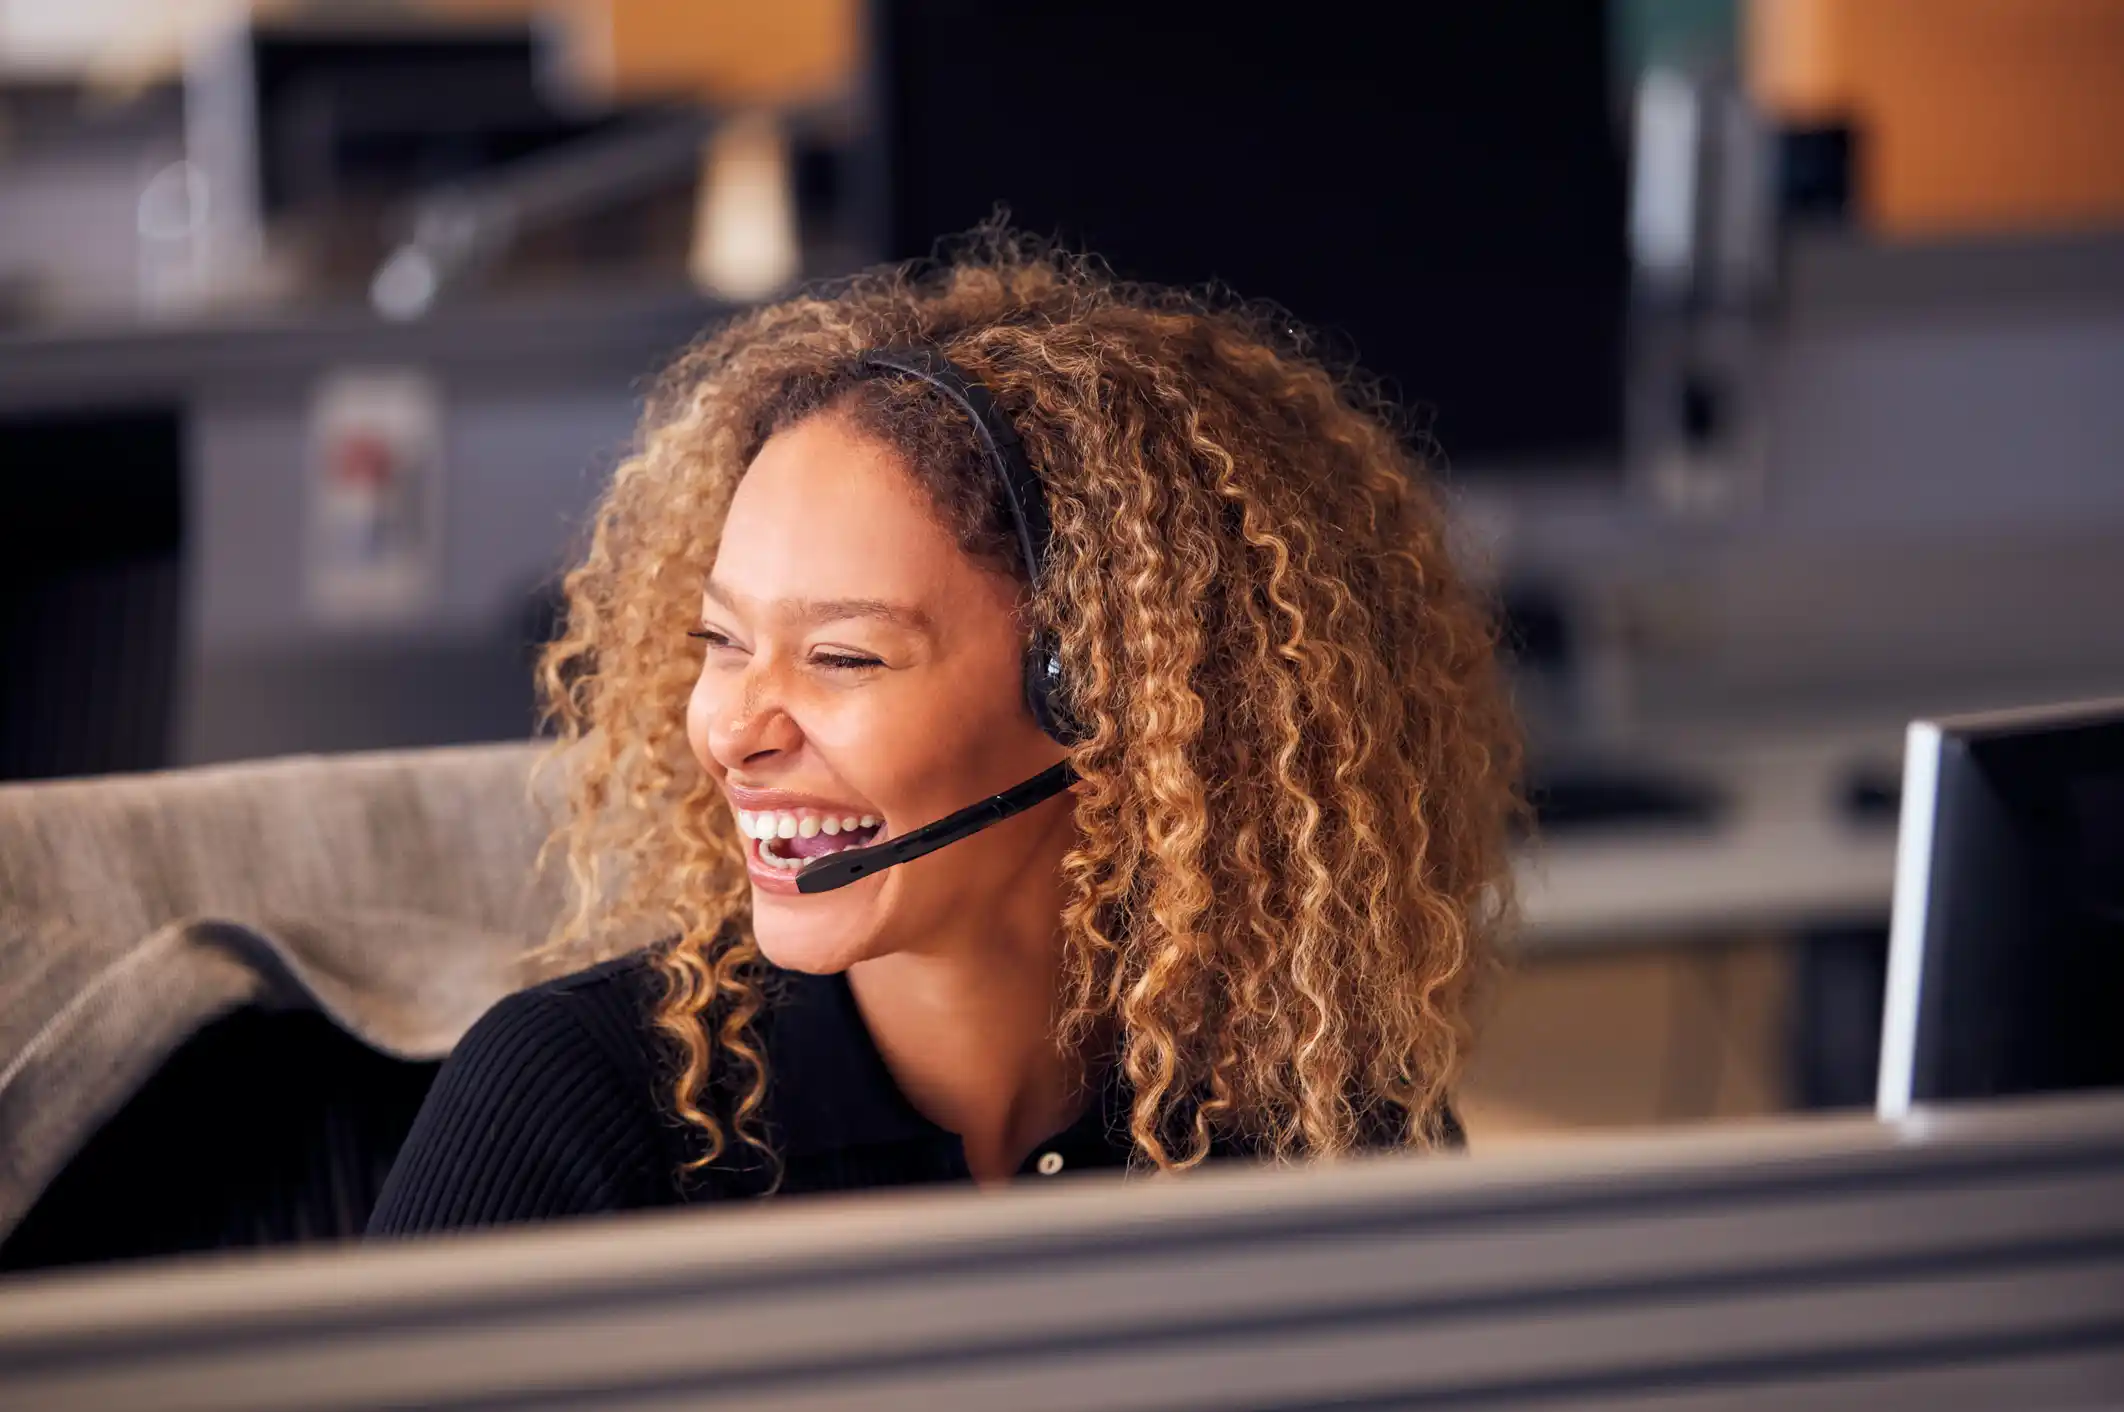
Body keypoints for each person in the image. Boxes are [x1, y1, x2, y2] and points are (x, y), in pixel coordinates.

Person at [368, 230, 1521, 1234]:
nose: (732, 731)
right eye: (719, 640)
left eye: (842, 656)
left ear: (1097, 696)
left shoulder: (1314, 1122)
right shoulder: (584, 1108)